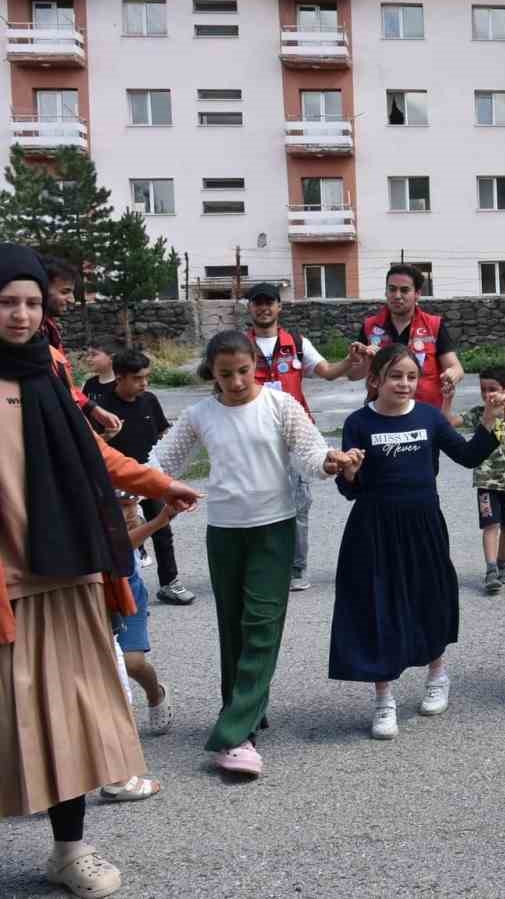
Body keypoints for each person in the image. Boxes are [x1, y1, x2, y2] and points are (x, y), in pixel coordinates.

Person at [0, 244, 201, 899]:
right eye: (7, 302)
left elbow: (96, 452)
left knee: (73, 716)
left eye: (31, 301)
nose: (22, 314)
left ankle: (70, 851)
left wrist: (162, 481)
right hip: (6, 581)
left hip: (67, 567)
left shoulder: (50, 372)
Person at [150, 331, 353, 777]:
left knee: (261, 624)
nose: (237, 381)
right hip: (224, 533)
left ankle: (234, 734)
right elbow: (161, 462)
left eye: (243, 371)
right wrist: (123, 485)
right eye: (226, 374)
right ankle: (245, 711)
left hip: (273, 530)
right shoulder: (200, 414)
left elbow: (309, 451)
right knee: (234, 629)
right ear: (212, 374)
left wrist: (328, 462)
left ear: (254, 367)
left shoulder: (280, 404)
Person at [331, 344, 502, 740]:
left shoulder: (428, 416)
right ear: (375, 380)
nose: (404, 384)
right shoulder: (358, 422)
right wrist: (351, 473)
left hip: (423, 525)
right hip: (374, 528)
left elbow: (469, 455)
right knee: (379, 607)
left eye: (411, 376)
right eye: (395, 376)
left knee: (430, 598)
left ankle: (438, 673)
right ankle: (384, 698)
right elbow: (349, 490)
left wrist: (493, 418)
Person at [245, 281, 362, 592]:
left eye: (269, 301)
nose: (264, 307)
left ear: (279, 306)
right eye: (258, 302)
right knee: (257, 502)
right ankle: (264, 566)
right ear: (249, 308)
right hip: (255, 436)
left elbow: (327, 371)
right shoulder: (239, 345)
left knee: (298, 504)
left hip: (294, 435)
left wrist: (350, 361)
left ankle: (297, 568)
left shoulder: (296, 342)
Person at [92, 349, 195, 606]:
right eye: (138, 378)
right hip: (119, 483)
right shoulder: (102, 408)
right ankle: (122, 584)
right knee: (122, 535)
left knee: (163, 527)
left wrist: (167, 464)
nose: (144, 383)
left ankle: (169, 582)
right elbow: (92, 448)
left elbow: (163, 432)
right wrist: (107, 437)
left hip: (150, 476)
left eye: (146, 377)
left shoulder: (149, 400)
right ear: (120, 377)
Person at [99, 496, 183, 806]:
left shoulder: (122, 519)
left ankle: (156, 693)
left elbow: (122, 545)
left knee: (132, 663)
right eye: (122, 504)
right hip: (95, 596)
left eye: (130, 505)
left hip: (125, 596)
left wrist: (157, 521)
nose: (128, 510)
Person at [348, 263, 463, 412]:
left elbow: (456, 368)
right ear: (386, 292)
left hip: (425, 413)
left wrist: (451, 375)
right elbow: (352, 375)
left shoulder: (434, 325)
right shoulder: (370, 326)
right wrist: (364, 362)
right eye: (392, 289)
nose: (397, 296)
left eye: (404, 290)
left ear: (417, 293)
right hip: (382, 413)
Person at [454, 366, 505, 596]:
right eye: (483, 389)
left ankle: (502, 564)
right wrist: (448, 398)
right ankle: (491, 570)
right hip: (486, 481)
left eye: (492, 389)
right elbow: (448, 421)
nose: (488, 395)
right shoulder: (479, 413)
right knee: (490, 525)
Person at [37, 253, 123, 438]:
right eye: (64, 291)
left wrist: (91, 408)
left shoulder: (49, 329)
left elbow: (62, 383)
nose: (72, 300)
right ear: (40, 290)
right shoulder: (30, 334)